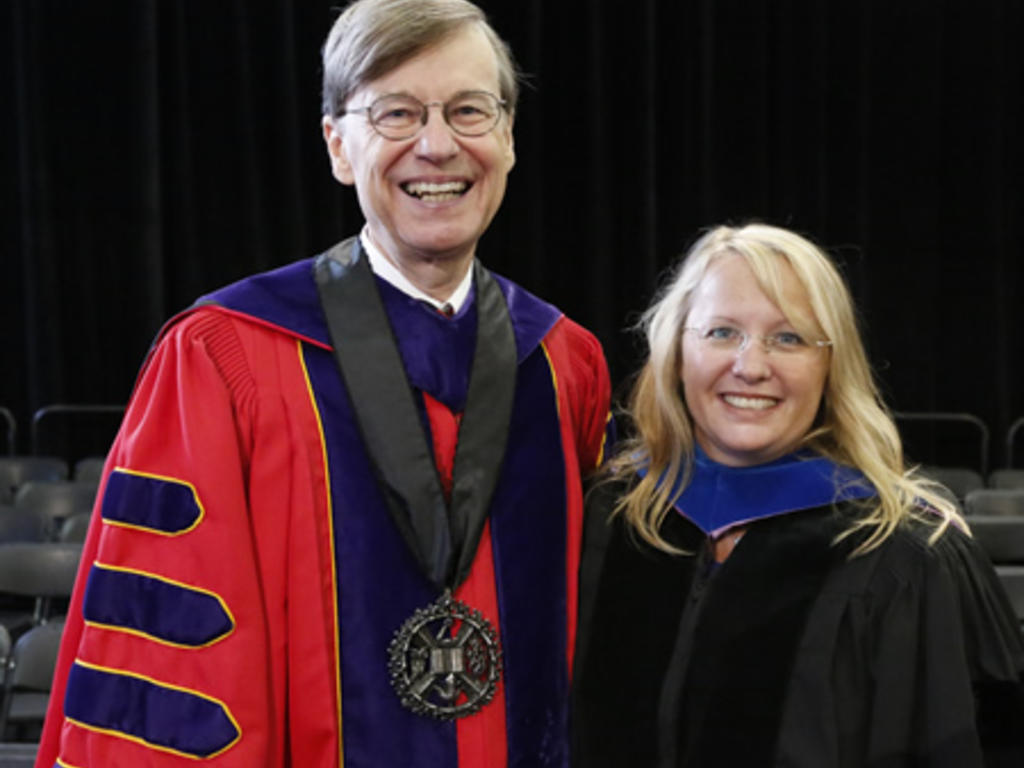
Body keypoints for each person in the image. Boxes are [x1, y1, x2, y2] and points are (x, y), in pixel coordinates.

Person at [36, 1, 611, 766]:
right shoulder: (222, 357)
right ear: (338, 146)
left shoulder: (565, 362)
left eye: (470, 110)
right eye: (396, 114)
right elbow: (173, 670)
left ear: (506, 138)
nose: (437, 145)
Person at [572, 223, 1024, 767]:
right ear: (675, 351)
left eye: (789, 338)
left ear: (831, 364)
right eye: (721, 332)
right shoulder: (611, 516)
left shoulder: (905, 555)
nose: (751, 366)